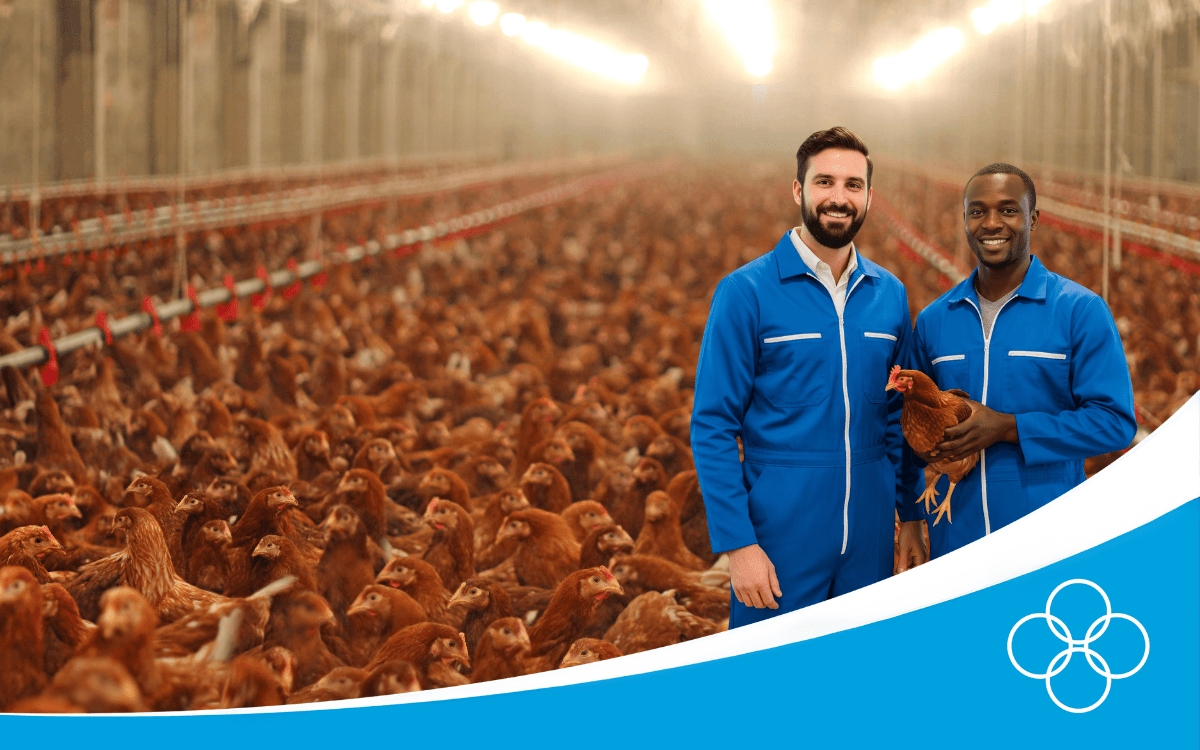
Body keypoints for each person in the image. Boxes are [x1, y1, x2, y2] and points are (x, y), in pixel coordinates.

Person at [691, 126, 925, 628]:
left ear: (869, 197)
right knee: (771, 671)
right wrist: (738, 544)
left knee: (857, 666)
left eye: (853, 185)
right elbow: (712, 425)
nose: (839, 198)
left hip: (869, 532)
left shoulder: (889, 294)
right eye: (825, 182)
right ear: (798, 190)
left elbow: (899, 418)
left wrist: (910, 515)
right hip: (781, 533)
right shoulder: (746, 292)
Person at [903, 163, 1137, 559]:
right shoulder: (935, 319)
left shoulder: (1078, 310)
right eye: (977, 211)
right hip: (955, 539)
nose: (992, 223)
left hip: (1047, 539)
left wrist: (1010, 428)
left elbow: (1115, 423)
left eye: (1008, 210)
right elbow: (906, 427)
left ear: (1034, 218)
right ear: (965, 221)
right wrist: (911, 516)